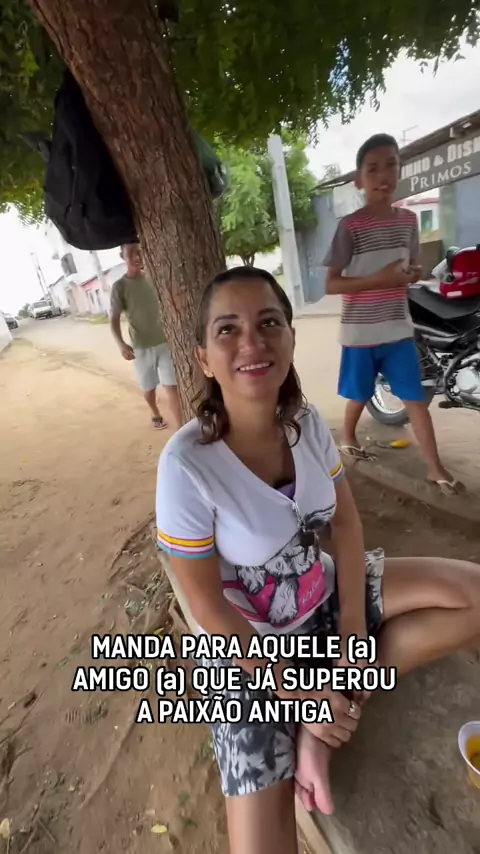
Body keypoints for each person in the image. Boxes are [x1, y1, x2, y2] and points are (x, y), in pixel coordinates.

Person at [155, 265, 480, 854]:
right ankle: (316, 718)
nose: (252, 343)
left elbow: (346, 524)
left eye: (268, 323)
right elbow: (208, 608)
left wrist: (353, 630)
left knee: (473, 595)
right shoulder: (187, 466)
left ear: (290, 336)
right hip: (247, 654)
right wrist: (302, 695)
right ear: (203, 358)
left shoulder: (305, 424)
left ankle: (322, 736)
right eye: (227, 330)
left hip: (322, 596)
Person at [324, 133, 461, 496]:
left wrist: (411, 274)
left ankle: (435, 469)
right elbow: (332, 284)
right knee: (359, 393)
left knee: (415, 399)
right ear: (359, 180)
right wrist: (381, 278)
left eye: (390, 166)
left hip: (399, 330)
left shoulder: (408, 221)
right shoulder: (350, 226)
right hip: (360, 334)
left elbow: (413, 266)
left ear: (399, 171)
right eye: (372, 169)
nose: (383, 175)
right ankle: (348, 436)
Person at [110, 242, 182, 431]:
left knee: (172, 387)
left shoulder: (154, 279)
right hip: (141, 348)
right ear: (123, 257)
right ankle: (154, 411)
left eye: (139, 252)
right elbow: (114, 319)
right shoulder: (119, 287)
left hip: (165, 343)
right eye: (131, 253)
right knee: (149, 389)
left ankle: (180, 430)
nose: (136, 257)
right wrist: (121, 344)